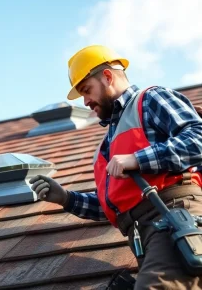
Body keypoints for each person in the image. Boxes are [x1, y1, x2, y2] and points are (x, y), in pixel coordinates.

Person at [30, 45, 202, 289]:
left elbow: (198, 138)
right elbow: (119, 205)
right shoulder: (107, 143)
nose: (86, 101)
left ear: (108, 77)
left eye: (87, 90)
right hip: (148, 235)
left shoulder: (150, 99)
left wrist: (137, 159)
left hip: (174, 217)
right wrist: (66, 198)